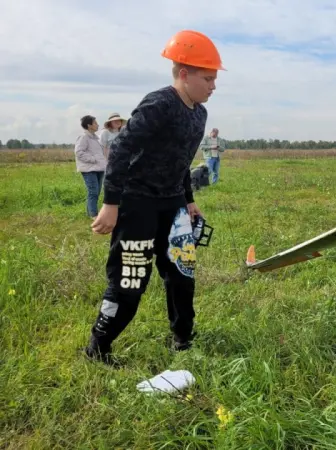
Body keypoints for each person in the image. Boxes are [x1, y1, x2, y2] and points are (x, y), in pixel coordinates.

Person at [83, 30, 224, 365]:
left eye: (215, 79)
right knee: (130, 280)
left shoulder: (199, 114)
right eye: (208, 78)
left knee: (182, 272)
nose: (213, 86)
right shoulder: (159, 104)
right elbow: (120, 151)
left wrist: (188, 200)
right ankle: (98, 347)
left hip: (173, 205)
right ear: (184, 74)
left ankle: (183, 339)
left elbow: (181, 162)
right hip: (137, 203)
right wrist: (111, 204)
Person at [74, 115, 108, 219]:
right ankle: (93, 215)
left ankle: (90, 213)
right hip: (89, 169)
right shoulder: (83, 137)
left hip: (99, 168)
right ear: (89, 125)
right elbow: (79, 152)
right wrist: (92, 159)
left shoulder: (95, 139)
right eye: (95, 123)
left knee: (96, 192)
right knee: (93, 191)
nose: (97, 125)